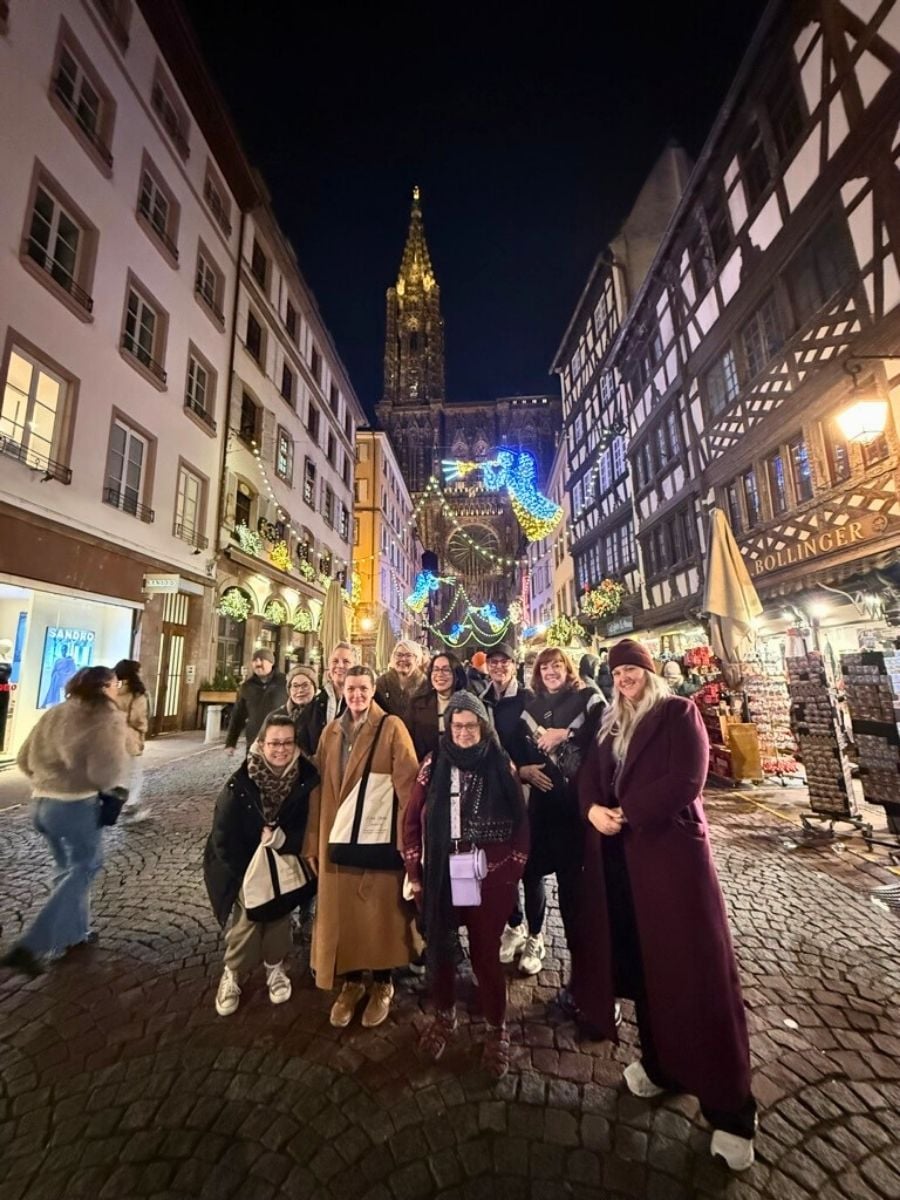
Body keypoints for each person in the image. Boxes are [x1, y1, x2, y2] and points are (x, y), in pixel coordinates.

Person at [574, 639, 757, 1172]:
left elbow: (687, 779)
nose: (625, 679)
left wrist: (625, 812)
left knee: (697, 979)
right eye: (619, 673)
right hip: (625, 869)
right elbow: (589, 773)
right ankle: (661, 1067)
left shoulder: (678, 712)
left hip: (671, 868)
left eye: (633, 671)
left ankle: (731, 1111)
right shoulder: (612, 722)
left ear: (649, 674)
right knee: (647, 976)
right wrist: (590, 810)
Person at [403, 692, 528, 1077]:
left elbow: (521, 822)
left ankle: (496, 1026)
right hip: (442, 869)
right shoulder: (433, 762)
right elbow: (410, 818)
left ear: (483, 726)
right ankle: (444, 1015)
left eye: (470, 726)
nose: (463, 732)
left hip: (486, 873)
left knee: (486, 954)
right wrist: (414, 870)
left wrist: (510, 871)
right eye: (456, 726)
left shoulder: (500, 762)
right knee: (440, 946)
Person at [305, 665, 421, 1028]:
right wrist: (312, 840)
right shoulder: (330, 732)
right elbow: (317, 789)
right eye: (351, 688)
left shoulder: (391, 728)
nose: (356, 695)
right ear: (343, 689)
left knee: (382, 914)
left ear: (373, 690)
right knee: (343, 915)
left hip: (377, 838)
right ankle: (352, 983)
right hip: (336, 840)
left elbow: (408, 786)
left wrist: (408, 841)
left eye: (363, 688)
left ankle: (383, 982)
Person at [1, 666, 130, 977]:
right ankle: (33, 943)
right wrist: (113, 790)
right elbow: (105, 773)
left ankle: (73, 934)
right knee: (86, 866)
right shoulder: (106, 718)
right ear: (104, 687)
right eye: (114, 684)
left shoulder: (57, 712)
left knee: (66, 870)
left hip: (41, 803)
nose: (117, 689)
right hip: (75, 806)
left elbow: (22, 757)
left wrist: (46, 781)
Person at [205, 713, 318, 1016]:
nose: (280, 749)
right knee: (249, 917)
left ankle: (275, 967)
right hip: (243, 866)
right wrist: (245, 877)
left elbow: (311, 827)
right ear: (261, 743)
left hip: (284, 864)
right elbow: (222, 837)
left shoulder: (306, 778)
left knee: (279, 914)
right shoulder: (240, 783)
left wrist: (284, 840)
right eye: (274, 743)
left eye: (287, 743)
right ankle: (233, 972)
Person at [509, 647, 604, 977]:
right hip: (542, 803)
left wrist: (566, 734)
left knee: (572, 879)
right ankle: (535, 936)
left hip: (577, 803)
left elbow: (607, 728)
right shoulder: (531, 707)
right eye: (545, 667)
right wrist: (522, 768)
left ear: (568, 668)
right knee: (531, 871)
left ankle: (582, 952)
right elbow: (520, 747)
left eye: (557, 665)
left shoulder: (587, 696)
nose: (551, 672)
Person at [295, 642, 356, 756]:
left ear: (354, 667)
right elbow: (302, 740)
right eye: (335, 661)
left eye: (346, 661)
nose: (340, 665)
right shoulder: (316, 701)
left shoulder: (361, 702)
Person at [407, 652, 468, 761]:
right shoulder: (416, 705)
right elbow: (406, 743)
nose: (440, 674)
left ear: (456, 675)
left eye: (446, 670)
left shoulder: (469, 704)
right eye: (436, 669)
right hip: (425, 769)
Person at [225, 649, 287, 756]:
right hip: (255, 741)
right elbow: (237, 716)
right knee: (253, 771)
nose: (258, 663)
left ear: (271, 662)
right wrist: (230, 742)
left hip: (281, 741)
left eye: (262, 660)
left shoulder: (285, 682)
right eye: (255, 660)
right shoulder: (247, 686)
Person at [113, 659, 150, 822]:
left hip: (114, 735)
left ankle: (125, 803)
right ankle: (131, 804)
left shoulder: (114, 691)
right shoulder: (136, 694)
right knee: (135, 772)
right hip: (130, 736)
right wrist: (143, 729)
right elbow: (138, 717)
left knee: (122, 772)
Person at [375, 640, 425, 723]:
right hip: (389, 732)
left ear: (417, 660)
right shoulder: (382, 683)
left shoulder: (425, 685)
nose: (403, 659)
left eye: (408, 655)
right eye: (399, 655)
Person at [276, 665, 317, 737]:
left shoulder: (322, 714)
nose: (300, 690)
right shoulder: (276, 716)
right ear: (289, 690)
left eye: (305, 685)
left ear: (314, 688)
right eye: (295, 686)